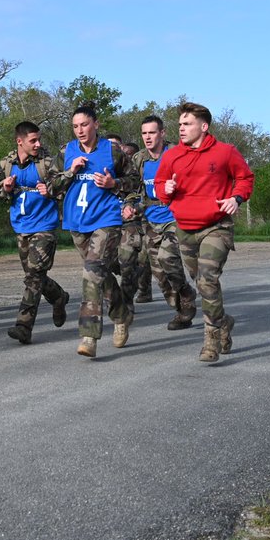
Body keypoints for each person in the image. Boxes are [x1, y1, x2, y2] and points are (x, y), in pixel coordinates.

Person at [154, 102, 254, 363]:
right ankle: (224, 322)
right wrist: (168, 189)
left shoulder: (225, 152)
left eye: (187, 124)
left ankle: (210, 340)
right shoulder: (172, 155)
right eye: (180, 125)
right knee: (202, 285)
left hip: (216, 226)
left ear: (204, 126)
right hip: (185, 228)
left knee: (208, 279)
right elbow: (159, 187)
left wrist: (236, 198)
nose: (181, 129)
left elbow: (245, 178)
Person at [48, 104, 139, 358]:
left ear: (96, 125)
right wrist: (70, 171)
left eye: (84, 125)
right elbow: (51, 186)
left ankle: (88, 336)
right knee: (100, 274)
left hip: (106, 220)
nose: (80, 130)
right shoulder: (66, 151)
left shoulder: (112, 151)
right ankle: (121, 315)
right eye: (75, 126)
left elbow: (134, 181)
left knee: (91, 275)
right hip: (77, 223)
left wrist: (114, 183)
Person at [0, 121, 71, 345]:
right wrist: (6, 191)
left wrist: (51, 191)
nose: (38, 144)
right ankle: (58, 297)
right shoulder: (6, 164)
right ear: (20, 142)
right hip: (21, 227)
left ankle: (24, 326)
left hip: (45, 227)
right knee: (35, 277)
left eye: (39, 139)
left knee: (34, 276)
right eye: (32, 140)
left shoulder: (47, 163)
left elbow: (66, 189)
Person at [133, 115, 196, 330]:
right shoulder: (140, 159)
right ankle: (182, 308)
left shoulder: (176, 154)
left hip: (174, 217)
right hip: (151, 220)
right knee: (160, 275)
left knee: (167, 257)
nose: (148, 137)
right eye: (144, 133)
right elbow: (133, 188)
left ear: (162, 133)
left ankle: (186, 293)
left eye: (152, 132)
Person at [104, 134, 148, 316]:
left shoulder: (133, 170)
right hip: (106, 223)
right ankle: (137, 275)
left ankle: (126, 304)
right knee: (104, 264)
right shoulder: (99, 169)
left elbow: (142, 193)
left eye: (116, 146)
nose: (113, 149)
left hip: (130, 223)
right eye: (108, 146)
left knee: (127, 262)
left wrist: (132, 206)